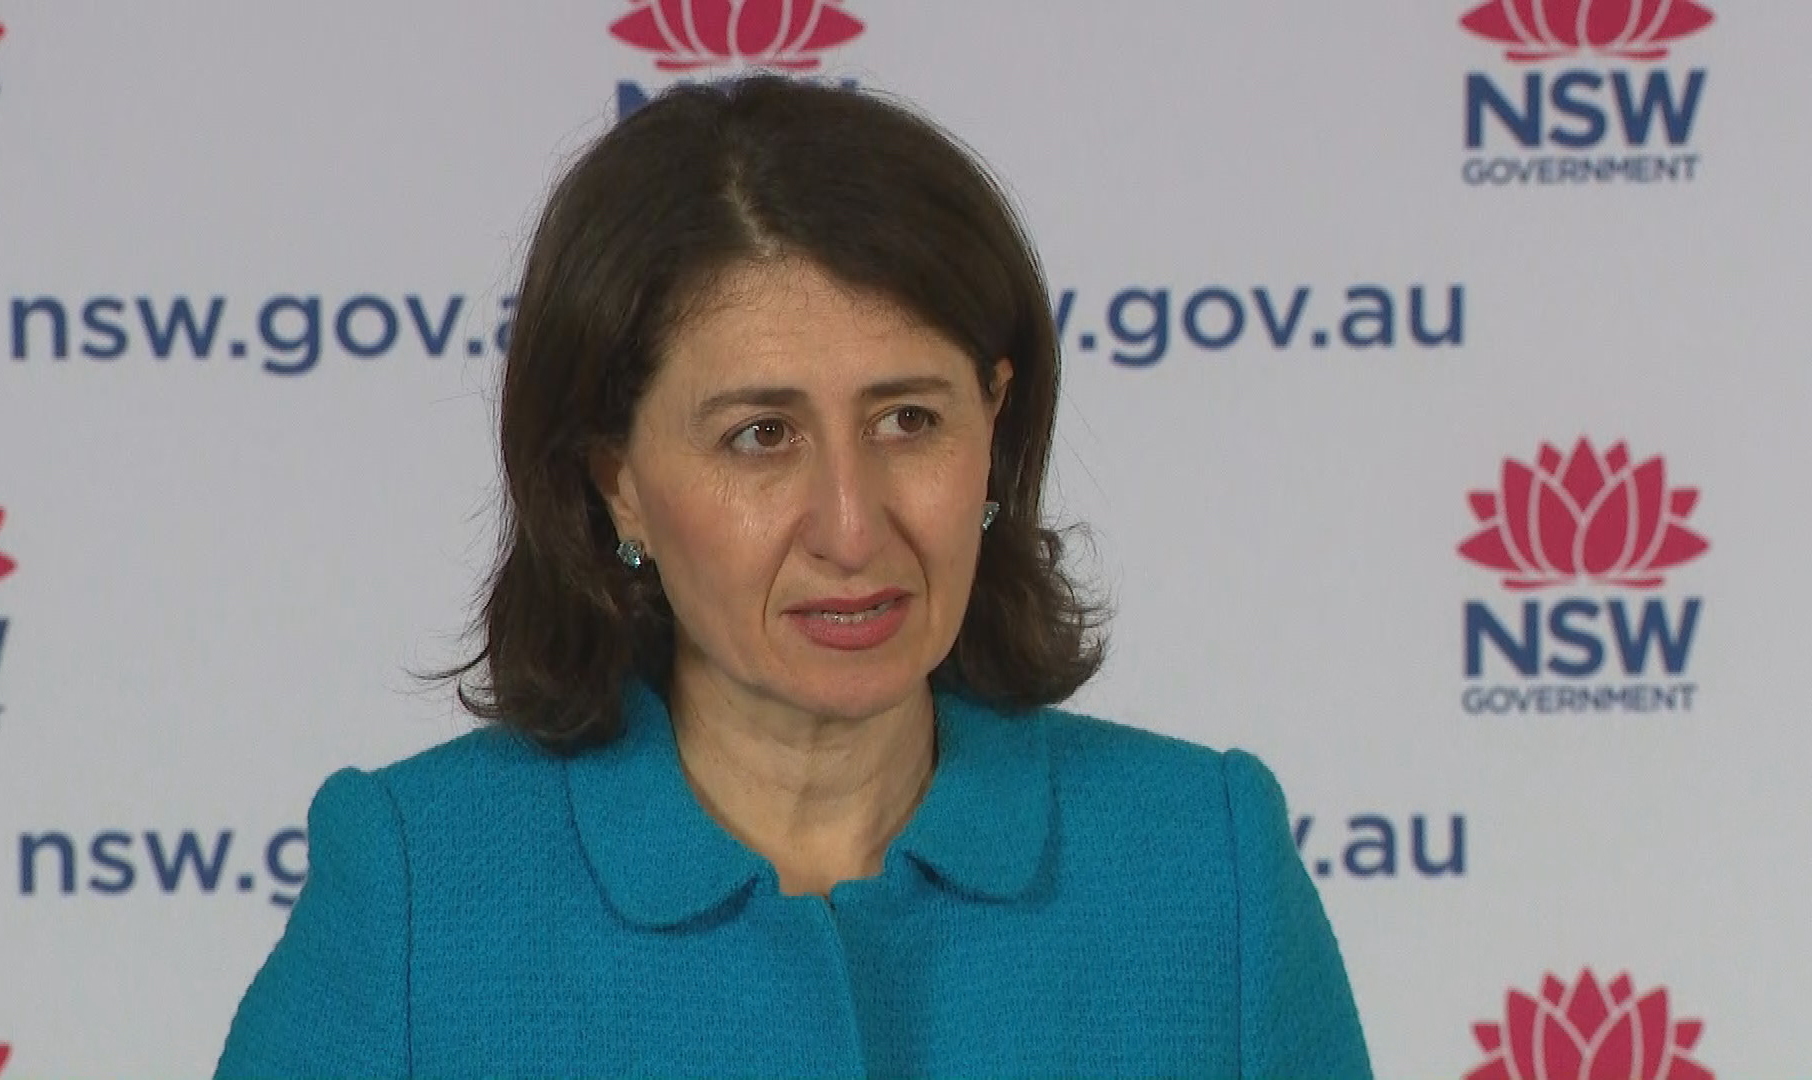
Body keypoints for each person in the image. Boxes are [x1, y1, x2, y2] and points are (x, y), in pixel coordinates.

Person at [215, 75, 1371, 1078]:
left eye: (910, 420)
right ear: (617, 481)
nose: (852, 529)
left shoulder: (1207, 867)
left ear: (996, 429)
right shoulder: (418, 892)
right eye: (761, 437)